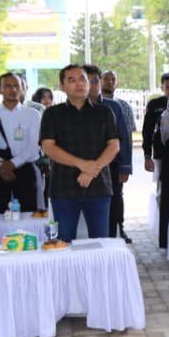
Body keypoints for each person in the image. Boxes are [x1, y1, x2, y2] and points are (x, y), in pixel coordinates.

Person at [40, 65, 121, 242]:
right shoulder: (52, 114)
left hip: (98, 186)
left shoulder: (104, 112)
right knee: (64, 242)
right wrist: (82, 164)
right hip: (64, 188)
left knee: (100, 242)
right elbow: (48, 147)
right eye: (72, 80)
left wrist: (92, 170)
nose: (79, 84)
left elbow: (114, 145)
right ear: (62, 86)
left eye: (83, 79)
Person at [85, 65, 133, 241]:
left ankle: (113, 238)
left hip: (111, 165)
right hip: (83, 168)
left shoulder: (114, 107)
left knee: (113, 201)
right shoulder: (73, 109)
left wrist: (125, 166)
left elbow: (123, 138)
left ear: (100, 82)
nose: (91, 84)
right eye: (87, 80)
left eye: (95, 80)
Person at [0, 71, 41, 214]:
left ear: (23, 88)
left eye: (17, 86)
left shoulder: (33, 114)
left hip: (25, 170)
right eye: (8, 86)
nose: (13, 89)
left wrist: (12, 164)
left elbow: (34, 147)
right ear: (0, 89)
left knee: (28, 212)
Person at [143, 72, 169, 246]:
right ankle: (165, 238)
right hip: (162, 158)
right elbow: (147, 130)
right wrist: (147, 155)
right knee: (163, 195)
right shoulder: (155, 105)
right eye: (168, 87)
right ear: (162, 88)